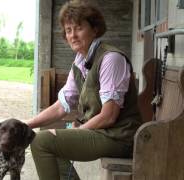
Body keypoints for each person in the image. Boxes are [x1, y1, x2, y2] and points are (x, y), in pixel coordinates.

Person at [26, 1, 142, 180]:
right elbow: (60, 107)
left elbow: (109, 115)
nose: (72, 35)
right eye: (68, 30)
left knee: (41, 141)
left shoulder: (111, 59)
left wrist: (76, 131)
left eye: (78, 28)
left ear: (94, 29)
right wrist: (26, 125)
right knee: (45, 137)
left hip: (120, 137)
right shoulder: (80, 61)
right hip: (102, 133)